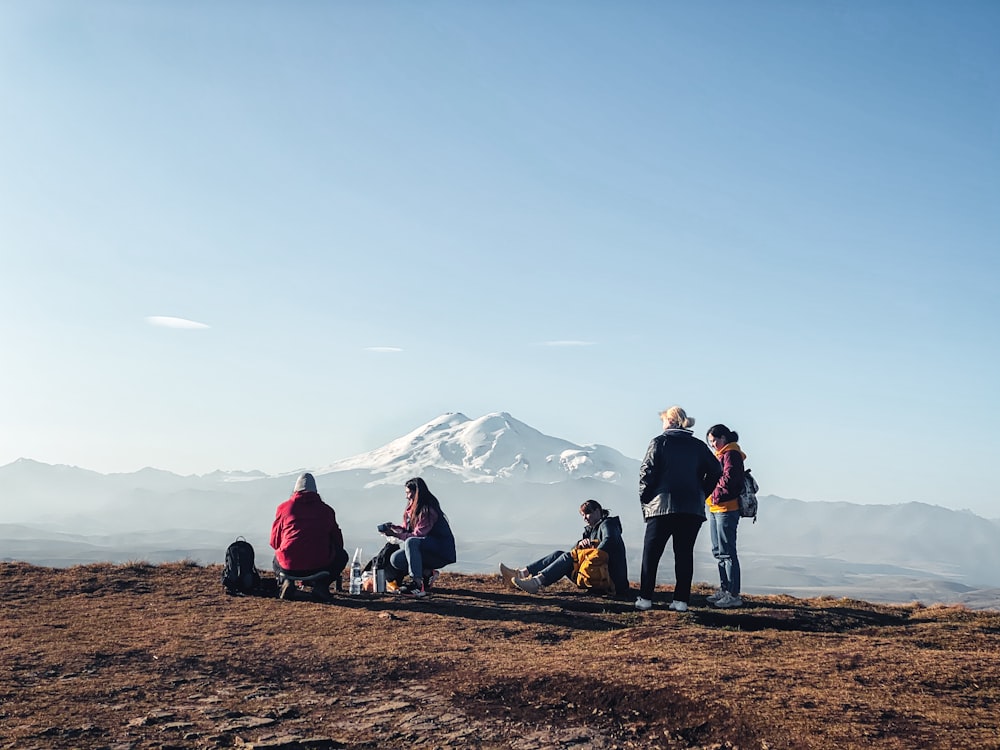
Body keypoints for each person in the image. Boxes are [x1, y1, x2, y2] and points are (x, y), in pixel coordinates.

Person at [636, 406, 722, 612]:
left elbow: (646, 473)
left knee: (651, 553)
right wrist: (701, 493)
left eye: (664, 419)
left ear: (671, 421)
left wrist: (646, 499)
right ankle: (681, 601)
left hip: (661, 507)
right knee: (684, 554)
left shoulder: (659, 442)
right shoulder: (699, 446)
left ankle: (646, 597)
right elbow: (716, 470)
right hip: (691, 509)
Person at [499, 499, 630, 597]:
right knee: (559, 554)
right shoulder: (590, 531)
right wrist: (580, 545)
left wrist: (595, 552)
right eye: (582, 515)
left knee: (567, 557)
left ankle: (535, 583)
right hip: (593, 574)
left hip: (611, 581)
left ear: (597, 511)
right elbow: (574, 551)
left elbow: (610, 539)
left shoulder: (608, 524)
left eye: (587, 514)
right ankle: (520, 574)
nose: (585, 518)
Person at [270, 472, 348, 602]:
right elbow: (338, 542)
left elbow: (274, 541)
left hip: (288, 566)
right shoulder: (326, 510)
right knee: (342, 556)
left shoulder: (284, 508)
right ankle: (321, 586)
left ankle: (287, 581)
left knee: (277, 557)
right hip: (320, 566)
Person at [380, 477, 456, 597]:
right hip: (426, 549)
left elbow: (418, 535)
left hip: (440, 550)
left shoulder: (427, 510)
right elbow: (408, 530)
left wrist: (395, 535)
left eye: (408, 493)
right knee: (396, 559)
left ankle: (417, 584)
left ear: (417, 492)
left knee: (411, 542)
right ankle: (427, 573)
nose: (407, 496)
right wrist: (394, 529)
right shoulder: (411, 509)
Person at [706, 424, 747, 608]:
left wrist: (714, 494)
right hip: (716, 508)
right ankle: (725, 589)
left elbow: (730, 480)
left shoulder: (731, 454)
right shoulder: (722, 454)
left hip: (726, 508)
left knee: (727, 551)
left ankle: (733, 593)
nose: (713, 444)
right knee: (719, 551)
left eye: (715, 440)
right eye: (711, 441)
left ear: (724, 437)